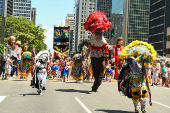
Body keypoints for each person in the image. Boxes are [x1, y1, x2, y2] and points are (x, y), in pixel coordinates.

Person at [83, 11, 113, 92]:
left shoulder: (100, 35)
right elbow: (94, 44)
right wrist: (87, 55)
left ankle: (97, 83)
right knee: (95, 71)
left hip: (100, 56)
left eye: (100, 29)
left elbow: (103, 43)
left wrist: (109, 46)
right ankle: (96, 84)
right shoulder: (93, 35)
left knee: (102, 67)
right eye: (99, 29)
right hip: (93, 56)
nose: (100, 31)